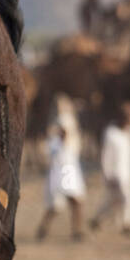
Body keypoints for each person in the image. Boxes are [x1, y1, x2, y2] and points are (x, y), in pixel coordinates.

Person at [36, 99, 86, 241]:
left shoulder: (63, 124)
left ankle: (44, 229)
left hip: (66, 167)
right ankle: (77, 231)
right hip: (65, 169)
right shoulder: (63, 122)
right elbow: (63, 134)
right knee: (74, 201)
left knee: (59, 205)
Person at [90, 106, 130, 235]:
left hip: (126, 173)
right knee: (129, 198)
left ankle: (96, 219)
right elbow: (105, 157)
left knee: (112, 201)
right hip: (115, 175)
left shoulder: (127, 133)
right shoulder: (111, 134)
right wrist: (107, 175)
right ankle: (127, 224)